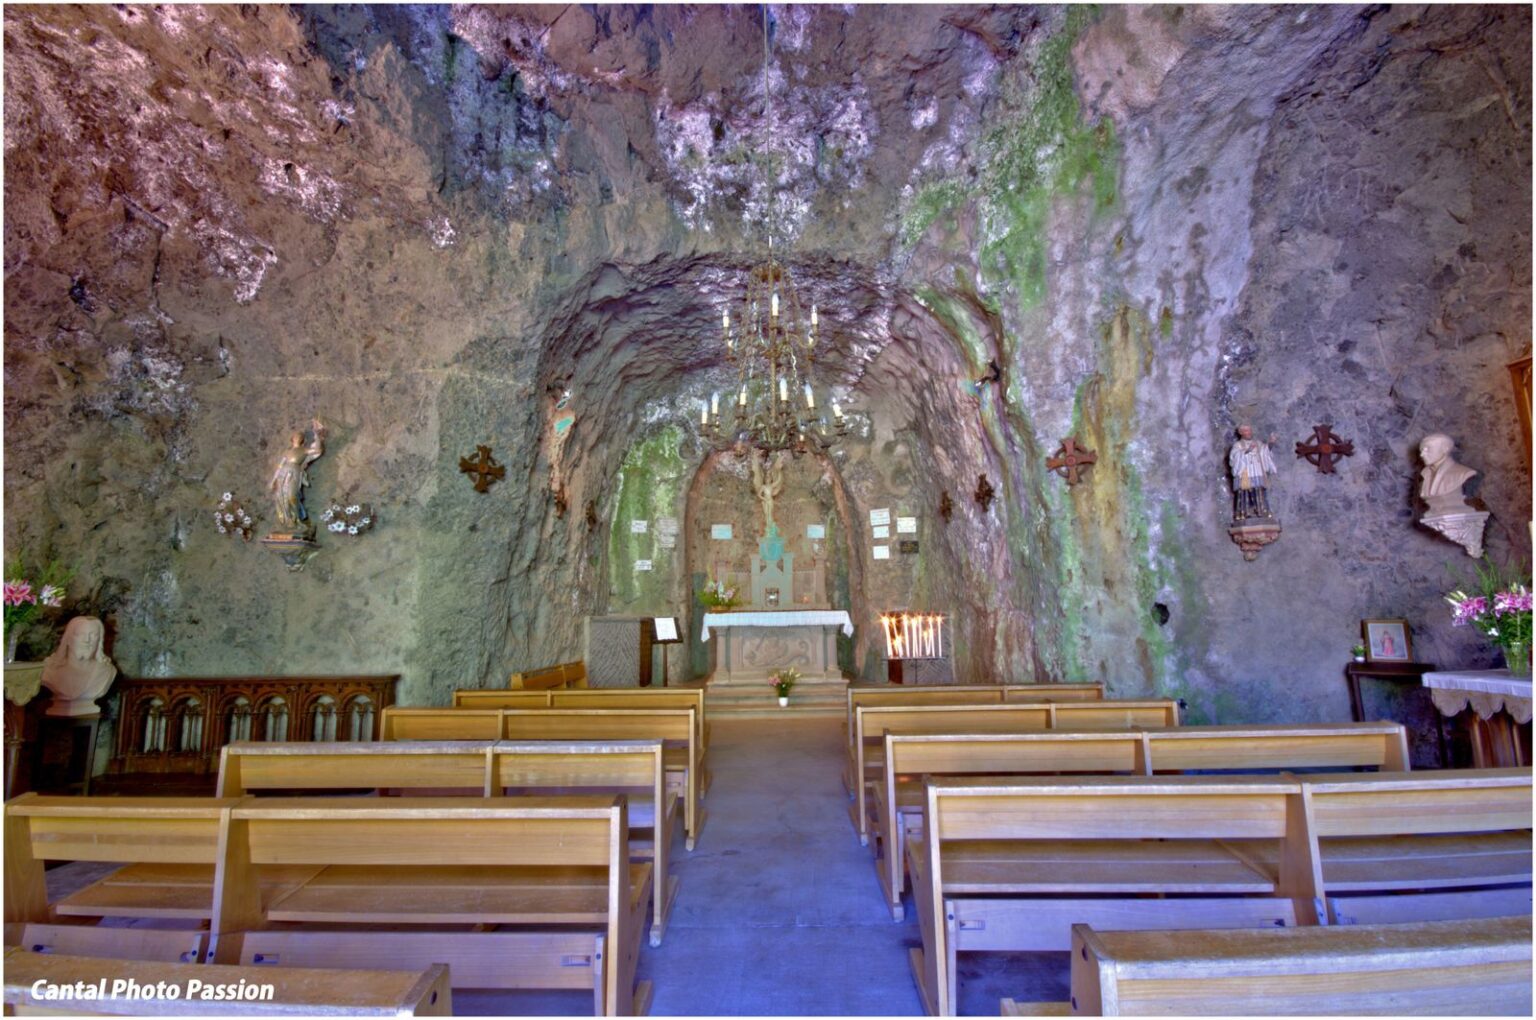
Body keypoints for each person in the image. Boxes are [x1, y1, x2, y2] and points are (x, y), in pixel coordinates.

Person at [40, 616, 117, 717]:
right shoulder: (49, 670)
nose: (87, 640)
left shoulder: (106, 672)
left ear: (99, 640)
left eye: (93, 635)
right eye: (80, 634)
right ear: (68, 639)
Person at [269, 419, 326, 532]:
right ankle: (288, 522)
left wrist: (316, 434)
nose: (298, 437)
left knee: (291, 497)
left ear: (303, 440)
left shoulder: (304, 450)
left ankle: (298, 520)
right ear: (292, 439)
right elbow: (279, 467)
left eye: (300, 436)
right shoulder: (287, 452)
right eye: (296, 435)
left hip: (294, 474)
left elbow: (318, 450)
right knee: (281, 497)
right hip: (282, 475)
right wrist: (273, 480)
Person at [1228, 423, 1278, 521]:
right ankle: (1244, 512)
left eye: (1250, 430)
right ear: (1241, 433)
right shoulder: (1238, 445)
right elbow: (1234, 458)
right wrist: (1248, 451)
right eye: (1246, 430)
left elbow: (1265, 452)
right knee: (1244, 492)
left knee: (1259, 490)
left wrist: (1271, 443)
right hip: (1245, 472)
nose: (1249, 432)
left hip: (1256, 471)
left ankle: (1261, 510)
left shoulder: (1258, 443)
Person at [1418, 433, 1477, 515]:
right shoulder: (1425, 474)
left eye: (1428, 449)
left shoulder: (1462, 473)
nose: (1422, 455)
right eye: (1422, 450)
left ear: (1445, 449)